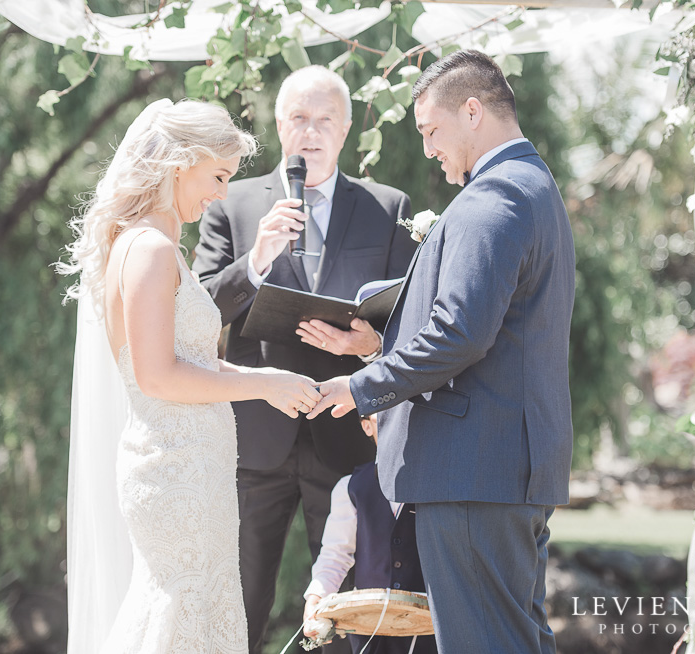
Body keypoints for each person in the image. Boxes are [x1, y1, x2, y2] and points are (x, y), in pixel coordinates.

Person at [310, 50, 576, 654]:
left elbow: (458, 334)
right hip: (503, 467)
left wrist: (358, 386)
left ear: (473, 111)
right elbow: (496, 335)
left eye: (431, 130)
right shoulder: (533, 186)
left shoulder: (493, 199)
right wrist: (381, 343)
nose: (428, 148)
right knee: (516, 641)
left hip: (473, 472)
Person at [61, 99, 322, 654]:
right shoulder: (151, 249)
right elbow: (159, 376)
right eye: (219, 175)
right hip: (176, 473)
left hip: (186, 469)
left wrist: (270, 376)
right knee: (178, 618)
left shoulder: (148, 245)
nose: (222, 193)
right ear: (181, 161)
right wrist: (263, 384)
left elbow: (189, 362)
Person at [193, 65, 418, 654]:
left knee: (346, 608)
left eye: (325, 120)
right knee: (239, 602)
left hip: (346, 439)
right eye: (299, 118)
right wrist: (257, 262)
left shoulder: (388, 208)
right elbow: (196, 313)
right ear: (278, 125)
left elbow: (412, 329)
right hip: (254, 443)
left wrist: (366, 345)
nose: (311, 133)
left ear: (345, 131)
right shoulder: (232, 203)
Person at [302, 415, 438, 654]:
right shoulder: (350, 487)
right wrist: (315, 597)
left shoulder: (437, 484)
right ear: (367, 426)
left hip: (427, 628)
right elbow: (335, 555)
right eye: (385, 418)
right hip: (369, 630)